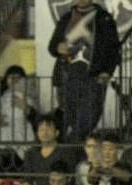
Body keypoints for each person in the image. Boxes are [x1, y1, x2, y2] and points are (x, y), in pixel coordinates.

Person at [48, 0, 120, 142]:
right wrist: (58, 48)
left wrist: (107, 71)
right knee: (67, 119)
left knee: (87, 121)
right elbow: (52, 46)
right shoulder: (67, 17)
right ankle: (72, 152)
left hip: (93, 78)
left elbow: (114, 49)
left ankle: (77, 152)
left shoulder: (104, 18)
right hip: (67, 77)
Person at [1, 113, 77, 185]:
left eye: (48, 128)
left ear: (57, 132)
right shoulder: (31, 153)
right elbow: (27, 181)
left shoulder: (65, 152)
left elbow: (68, 181)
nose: (44, 132)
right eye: (41, 129)